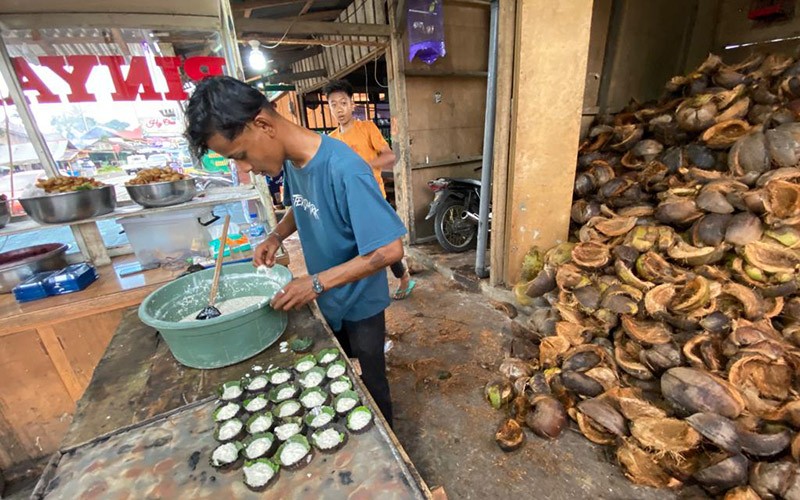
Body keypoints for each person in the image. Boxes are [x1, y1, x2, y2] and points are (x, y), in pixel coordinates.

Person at [185, 76, 405, 425]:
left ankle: (388, 436)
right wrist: (275, 236)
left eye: (240, 156)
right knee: (336, 368)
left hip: (359, 300)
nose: (244, 168)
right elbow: (299, 206)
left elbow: (390, 250)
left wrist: (315, 283)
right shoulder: (291, 161)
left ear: (263, 125)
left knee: (373, 380)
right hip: (327, 294)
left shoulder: (346, 169)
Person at [324, 79, 416, 301]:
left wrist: (362, 167)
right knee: (359, 249)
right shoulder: (330, 140)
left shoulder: (367, 128)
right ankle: (364, 292)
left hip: (373, 198)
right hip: (347, 204)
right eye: (334, 104)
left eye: (343, 103)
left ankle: (404, 278)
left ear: (352, 104)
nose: (339, 109)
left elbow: (390, 156)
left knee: (385, 244)